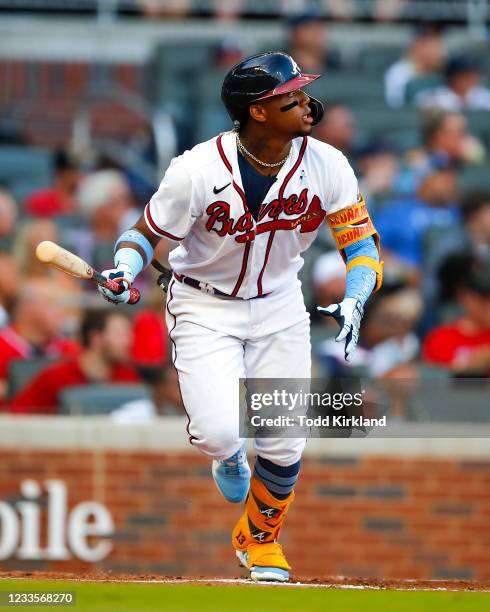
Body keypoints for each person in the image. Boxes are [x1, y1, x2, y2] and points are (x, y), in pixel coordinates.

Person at [97, 52, 383, 582]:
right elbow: (143, 234)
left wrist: (358, 293)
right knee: (218, 432)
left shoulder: (327, 163)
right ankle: (227, 455)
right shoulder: (195, 170)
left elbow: (360, 242)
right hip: (205, 304)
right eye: (289, 96)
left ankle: (260, 540)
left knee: (283, 437)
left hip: (279, 303)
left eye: (301, 91)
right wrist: (122, 269)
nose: (305, 103)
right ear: (257, 111)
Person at [10, 309, 140, 414]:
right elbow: (18, 416)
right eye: (120, 334)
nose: (128, 341)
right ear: (96, 338)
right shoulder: (56, 377)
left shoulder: (127, 376)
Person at [0, 279, 80, 399]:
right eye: (53, 304)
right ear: (27, 308)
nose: (62, 312)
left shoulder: (69, 349)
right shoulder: (3, 346)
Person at [423, 258, 490, 375]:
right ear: (463, 296)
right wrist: (471, 364)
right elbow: (434, 382)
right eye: (483, 297)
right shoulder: (440, 338)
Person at [384, 23, 444, 108]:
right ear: (416, 46)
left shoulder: (444, 73)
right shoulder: (399, 71)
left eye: (437, 46)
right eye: (429, 45)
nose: (436, 51)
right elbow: (395, 104)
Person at [416, 55, 490, 112]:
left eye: (471, 75)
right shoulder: (433, 98)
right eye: (462, 75)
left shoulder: (485, 96)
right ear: (452, 77)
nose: (468, 79)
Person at [24, 149, 81, 217]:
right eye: (76, 171)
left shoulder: (85, 201)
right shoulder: (39, 201)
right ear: (63, 173)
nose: (81, 175)